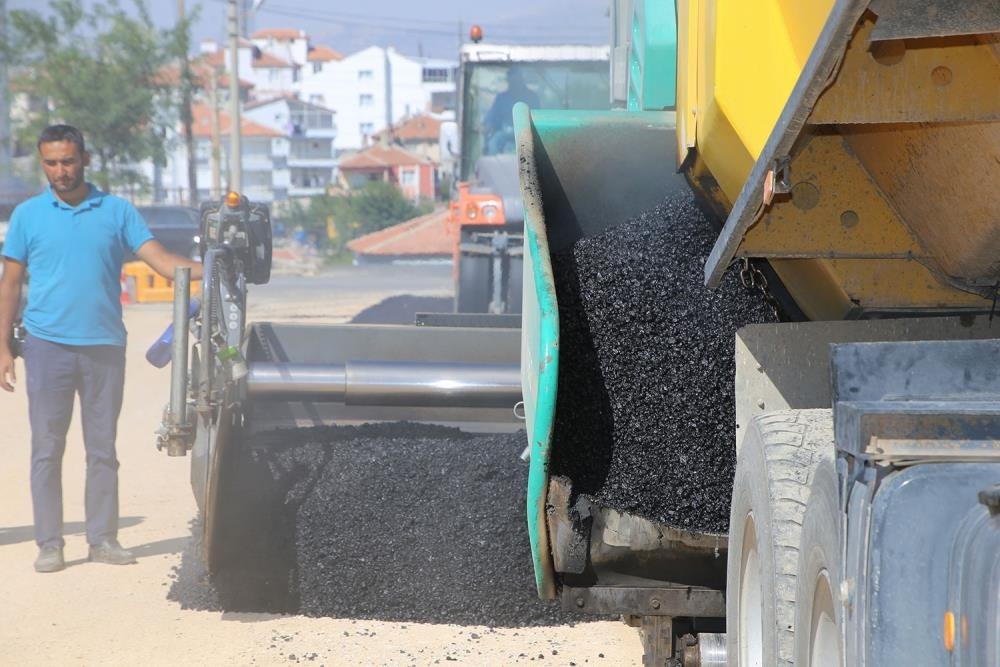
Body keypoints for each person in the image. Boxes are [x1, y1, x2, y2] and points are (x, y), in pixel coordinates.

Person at [0, 124, 204, 573]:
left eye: (68, 161)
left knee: (101, 449)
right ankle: (50, 544)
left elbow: (162, 261)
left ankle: (103, 539)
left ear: (85, 159)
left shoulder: (116, 211)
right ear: (43, 163)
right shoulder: (29, 216)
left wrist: (212, 268)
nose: (61, 171)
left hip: (104, 346)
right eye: (51, 163)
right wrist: (3, 348)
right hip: (46, 347)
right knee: (46, 449)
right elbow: (10, 283)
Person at [483, 68, 540, 155]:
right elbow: (492, 118)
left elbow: (537, 121)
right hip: (504, 136)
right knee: (493, 143)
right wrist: (487, 126)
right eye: (511, 80)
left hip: (526, 135)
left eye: (516, 80)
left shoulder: (532, 98)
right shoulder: (501, 98)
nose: (513, 83)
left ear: (521, 79)